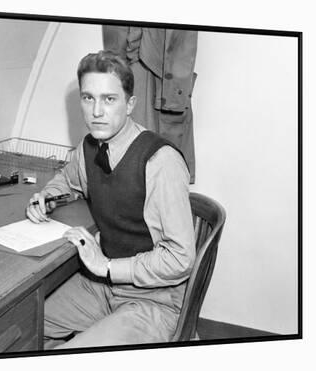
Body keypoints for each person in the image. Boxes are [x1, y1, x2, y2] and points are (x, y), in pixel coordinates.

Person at [25, 50, 196, 349]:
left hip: (154, 300)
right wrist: (47, 196)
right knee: (22, 328)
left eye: (109, 99)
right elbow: (67, 179)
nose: (96, 112)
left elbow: (180, 258)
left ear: (130, 104)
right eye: (88, 98)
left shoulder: (160, 161)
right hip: (102, 288)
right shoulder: (89, 147)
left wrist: (105, 266)